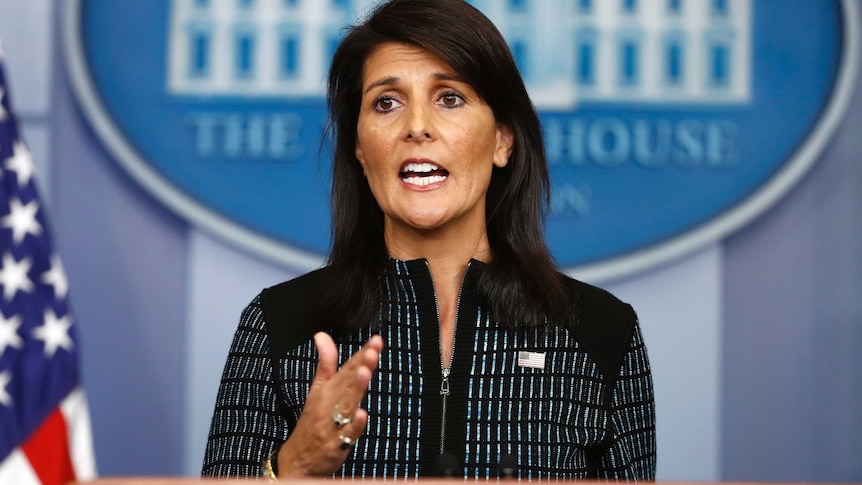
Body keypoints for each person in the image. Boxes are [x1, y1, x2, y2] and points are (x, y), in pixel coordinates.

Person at [201, 0, 656, 480]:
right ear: (358, 145)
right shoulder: (280, 325)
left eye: (450, 98)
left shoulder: (602, 332)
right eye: (386, 103)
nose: (417, 126)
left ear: (502, 139)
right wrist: (295, 466)